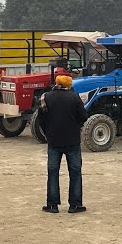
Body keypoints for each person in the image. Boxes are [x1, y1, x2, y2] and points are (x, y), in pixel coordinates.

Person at [40, 74, 88, 213]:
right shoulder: (74, 97)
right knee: (75, 172)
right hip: (72, 140)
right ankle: (75, 205)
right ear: (69, 85)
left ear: (56, 83)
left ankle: (52, 205)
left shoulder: (46, 97)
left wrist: (48, 132)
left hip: (54, 140)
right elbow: (84, 116)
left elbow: (41, 118)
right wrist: (75, 126)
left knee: (53, 172)